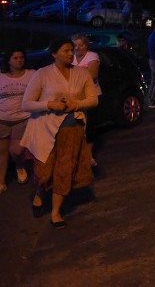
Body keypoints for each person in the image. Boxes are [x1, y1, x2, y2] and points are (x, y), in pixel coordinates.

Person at [21, 37, 98, 229]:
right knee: (44, 171)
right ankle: (39, 194)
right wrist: (49, 104)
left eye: (72, 50)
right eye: (65, 51)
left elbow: (93, 99)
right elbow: (27, 104)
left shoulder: (82, 73)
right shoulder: (42, 74)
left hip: (72, 131)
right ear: (54, 53)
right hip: (45, 131)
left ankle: (56, 212)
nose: (71, 54)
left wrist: (77, 104)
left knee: (64, 171)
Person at [0, 47, 35, 191]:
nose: (19, 60)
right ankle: (1, 181)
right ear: (8, 60)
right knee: (2, 152)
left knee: (16, 151)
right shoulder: (1, 76)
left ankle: (19, 165)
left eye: (21, 57)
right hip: (2, 119)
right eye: (15, 58)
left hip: (23, 118)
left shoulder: (31, 74)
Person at [71, 34, 101, 166]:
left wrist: (74, 74)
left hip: (90, 95)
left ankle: (89, 155)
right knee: (76, 126)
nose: (77, 48)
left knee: (89, 126)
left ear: (86, 45)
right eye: (75, 45)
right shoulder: (70, 58)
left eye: (80, 45)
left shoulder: (92, 56)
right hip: (75, 96)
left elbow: (92, 74)